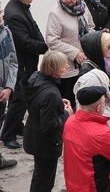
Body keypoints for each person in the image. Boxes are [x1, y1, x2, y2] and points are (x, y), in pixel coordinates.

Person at [1, 0, 48, 150]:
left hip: (26, 62)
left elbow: (34, 27)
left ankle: (16, 126)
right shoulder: (14, 14)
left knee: (22, 98)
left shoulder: (20, 7)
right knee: (19, 99)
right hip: (21, 63)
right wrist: (43, 48)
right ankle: (7, 135)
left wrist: (42, 44)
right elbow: (24, 42)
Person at [21, 50, 74, 192]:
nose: (67, 67)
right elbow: (49, 126)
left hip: (34, 136)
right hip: (46, 144)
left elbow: (39, 104)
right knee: (44, 180)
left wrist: (57, 104)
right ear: (54, 69)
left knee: (39, 175)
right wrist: (66, 113)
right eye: (64, 66)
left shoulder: (35, 78)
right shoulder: (50, 93)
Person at [63, 85, 110, 191]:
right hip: (98, 186)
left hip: (76, 183)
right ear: (99, 108)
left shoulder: (70, 122)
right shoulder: (102, 134)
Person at [46, 0, 95, 105]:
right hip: (65, 68)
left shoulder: (83, 8)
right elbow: (52, 41)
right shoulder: (56, 14)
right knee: (67, 101)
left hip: (83, 62)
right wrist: (75, 53)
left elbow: (90, 27)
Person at [78, 31, 110, 131]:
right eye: (108, 47)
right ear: (98, 50)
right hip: (101, 113)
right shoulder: (88, 71)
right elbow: (89, 100)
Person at [0, 0, 17, 155]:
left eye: (0, 12)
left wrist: (9, 87)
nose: (0, 16)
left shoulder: (6, 32)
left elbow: (13, 61)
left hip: (4, 91)